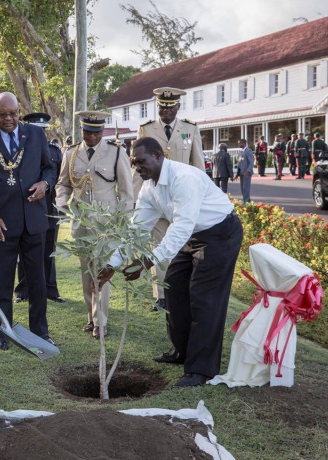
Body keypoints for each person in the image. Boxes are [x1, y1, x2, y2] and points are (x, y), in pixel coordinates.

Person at [99, 137, 243, 388]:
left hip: (220, 233)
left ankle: (200, 370)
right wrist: (112, 264)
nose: (137, 167)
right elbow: (137, 230)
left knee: (204, 298)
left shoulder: (183, 178)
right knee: (172, 287)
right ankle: (182, 351)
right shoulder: (149, 189)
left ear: (158, 155)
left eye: (141, 161)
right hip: (191, 235)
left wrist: (147, 262)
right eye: (134, 162)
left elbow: (181, 226)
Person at [0, 92, 57, 350]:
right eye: (3, 114)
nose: (9, 119)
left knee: (37, 279)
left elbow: (49, 167)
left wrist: (45, 184)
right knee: (3, 280)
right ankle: (3, 332)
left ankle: (40, 332)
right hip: (2, 223)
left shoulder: (35, 134)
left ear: (19, 112)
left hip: (34, 219)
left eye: (13, 114)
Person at [55, 111, 133, 338]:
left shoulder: (116, 153)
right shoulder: (71, 153)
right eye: (87, 132)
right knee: (87, 272)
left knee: (102, 272)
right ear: (81, 130)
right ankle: (91, 317)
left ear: (103, 131)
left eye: (96, 132)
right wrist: (62, 203)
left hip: (106, 225)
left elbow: (127, 193)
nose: (91, 137)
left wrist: (123, 224)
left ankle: (102, 322)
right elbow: (63, 184)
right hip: (81, 224)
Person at [136, 86, 204, 312]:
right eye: (162, 108)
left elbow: (198, 166)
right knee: (160, 246)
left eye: (170, 107)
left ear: (178, 107)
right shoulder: (146, 130)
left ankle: (182, 290)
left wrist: (201, 197)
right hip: (157, 199)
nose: (166, 112)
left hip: (183, 200)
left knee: (183, 247)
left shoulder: (190, 129)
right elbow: (139, 166)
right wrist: (135, 201)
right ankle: (162, 295)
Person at [14, 112, 64, 304]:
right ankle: (23, 290)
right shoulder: (18, 151)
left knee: (49, 249)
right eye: (37, 130)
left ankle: (51, 289)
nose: (41, 135)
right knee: (23, 251)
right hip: (26, 207)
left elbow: (59, 179)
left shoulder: (54, 151)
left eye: (43, 131)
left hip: (49, 207)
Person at [234, 138, 255, 203]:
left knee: (246, 188)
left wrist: (248, 171)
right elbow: (239, 164)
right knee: (243, 189)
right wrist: (237, 174)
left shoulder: (248, 151)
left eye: (240, 143)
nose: (238, 144)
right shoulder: (240, 152)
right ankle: (247, 201)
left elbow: (251, 162)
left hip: (246, 173)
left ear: (244, 143)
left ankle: (245, 202)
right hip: (241, 173)